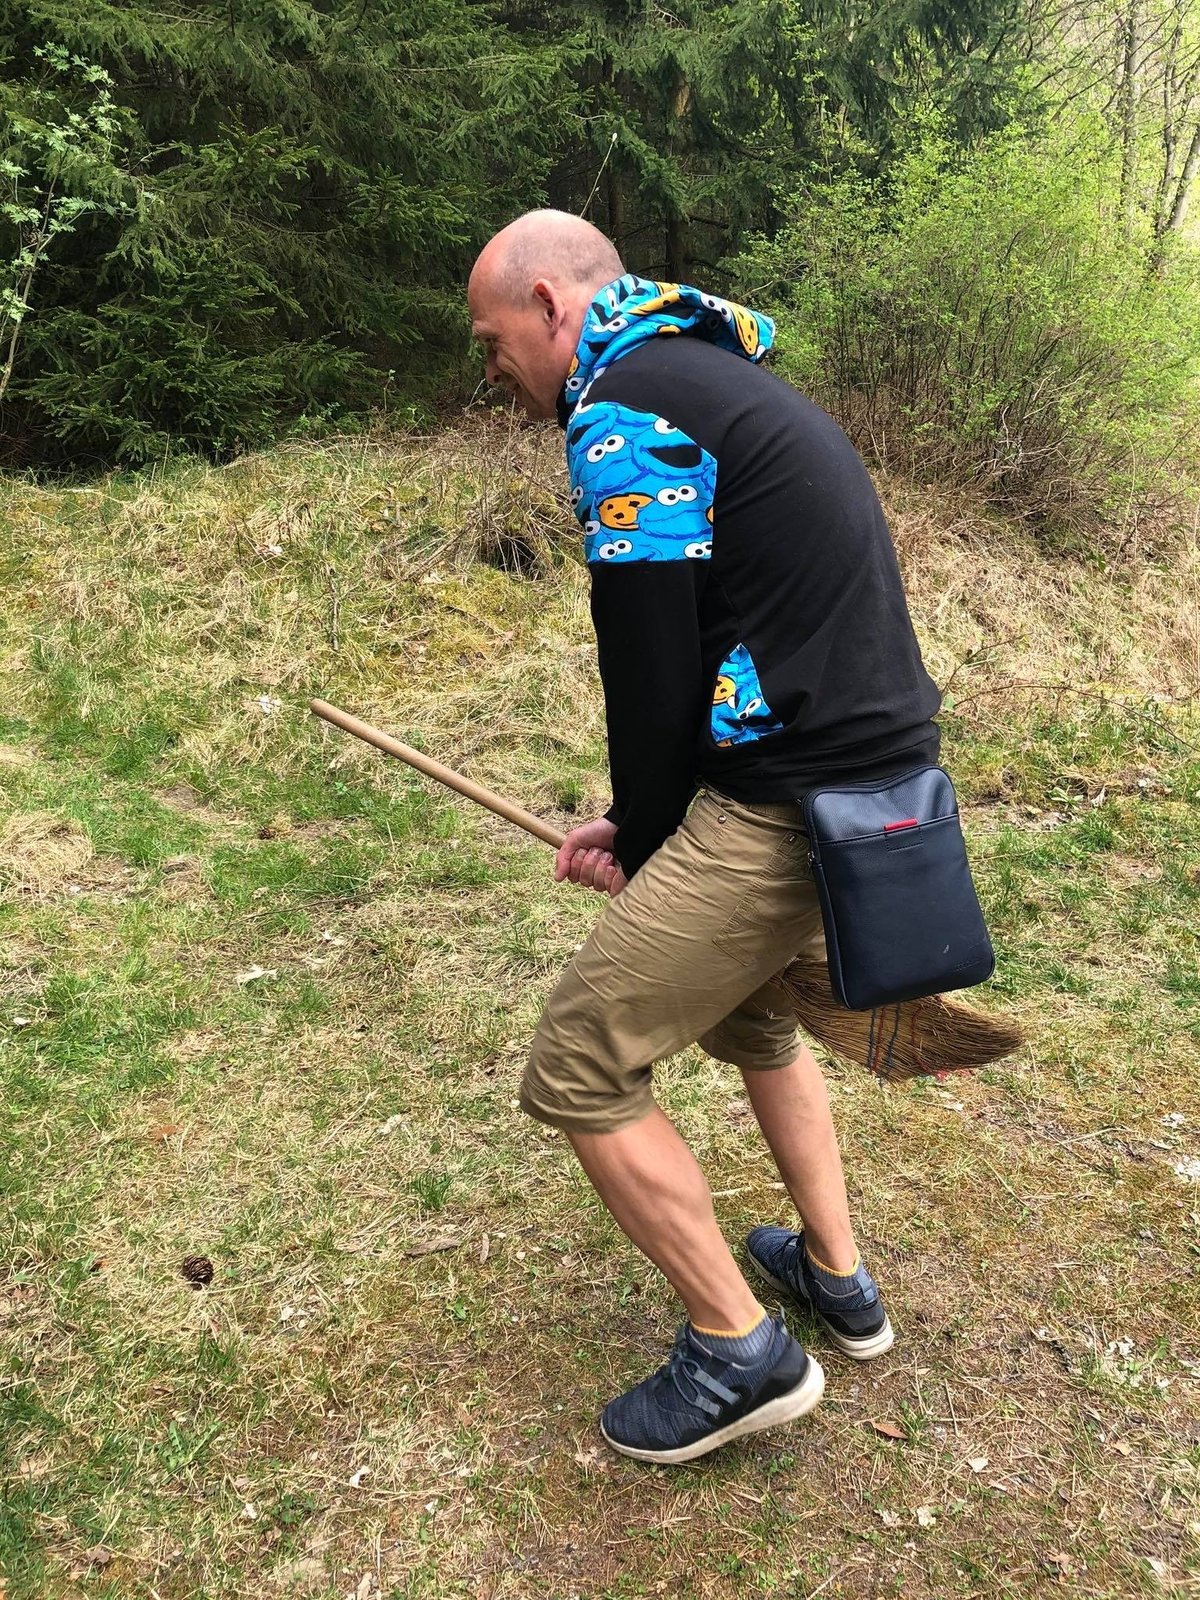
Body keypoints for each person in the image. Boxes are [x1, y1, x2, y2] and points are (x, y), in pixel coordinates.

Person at [467, 211, 942, 1465]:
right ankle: (836, 1277)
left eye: (494, 337)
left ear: (551, 304)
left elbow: (652, 655)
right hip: (864, 777)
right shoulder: (715, 378)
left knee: (577, 1063)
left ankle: (739, 1349)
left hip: (789, 796)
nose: (492, 365)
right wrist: (642, 823)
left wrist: (647, 836)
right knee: (752, 1014)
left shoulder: (625, 406)